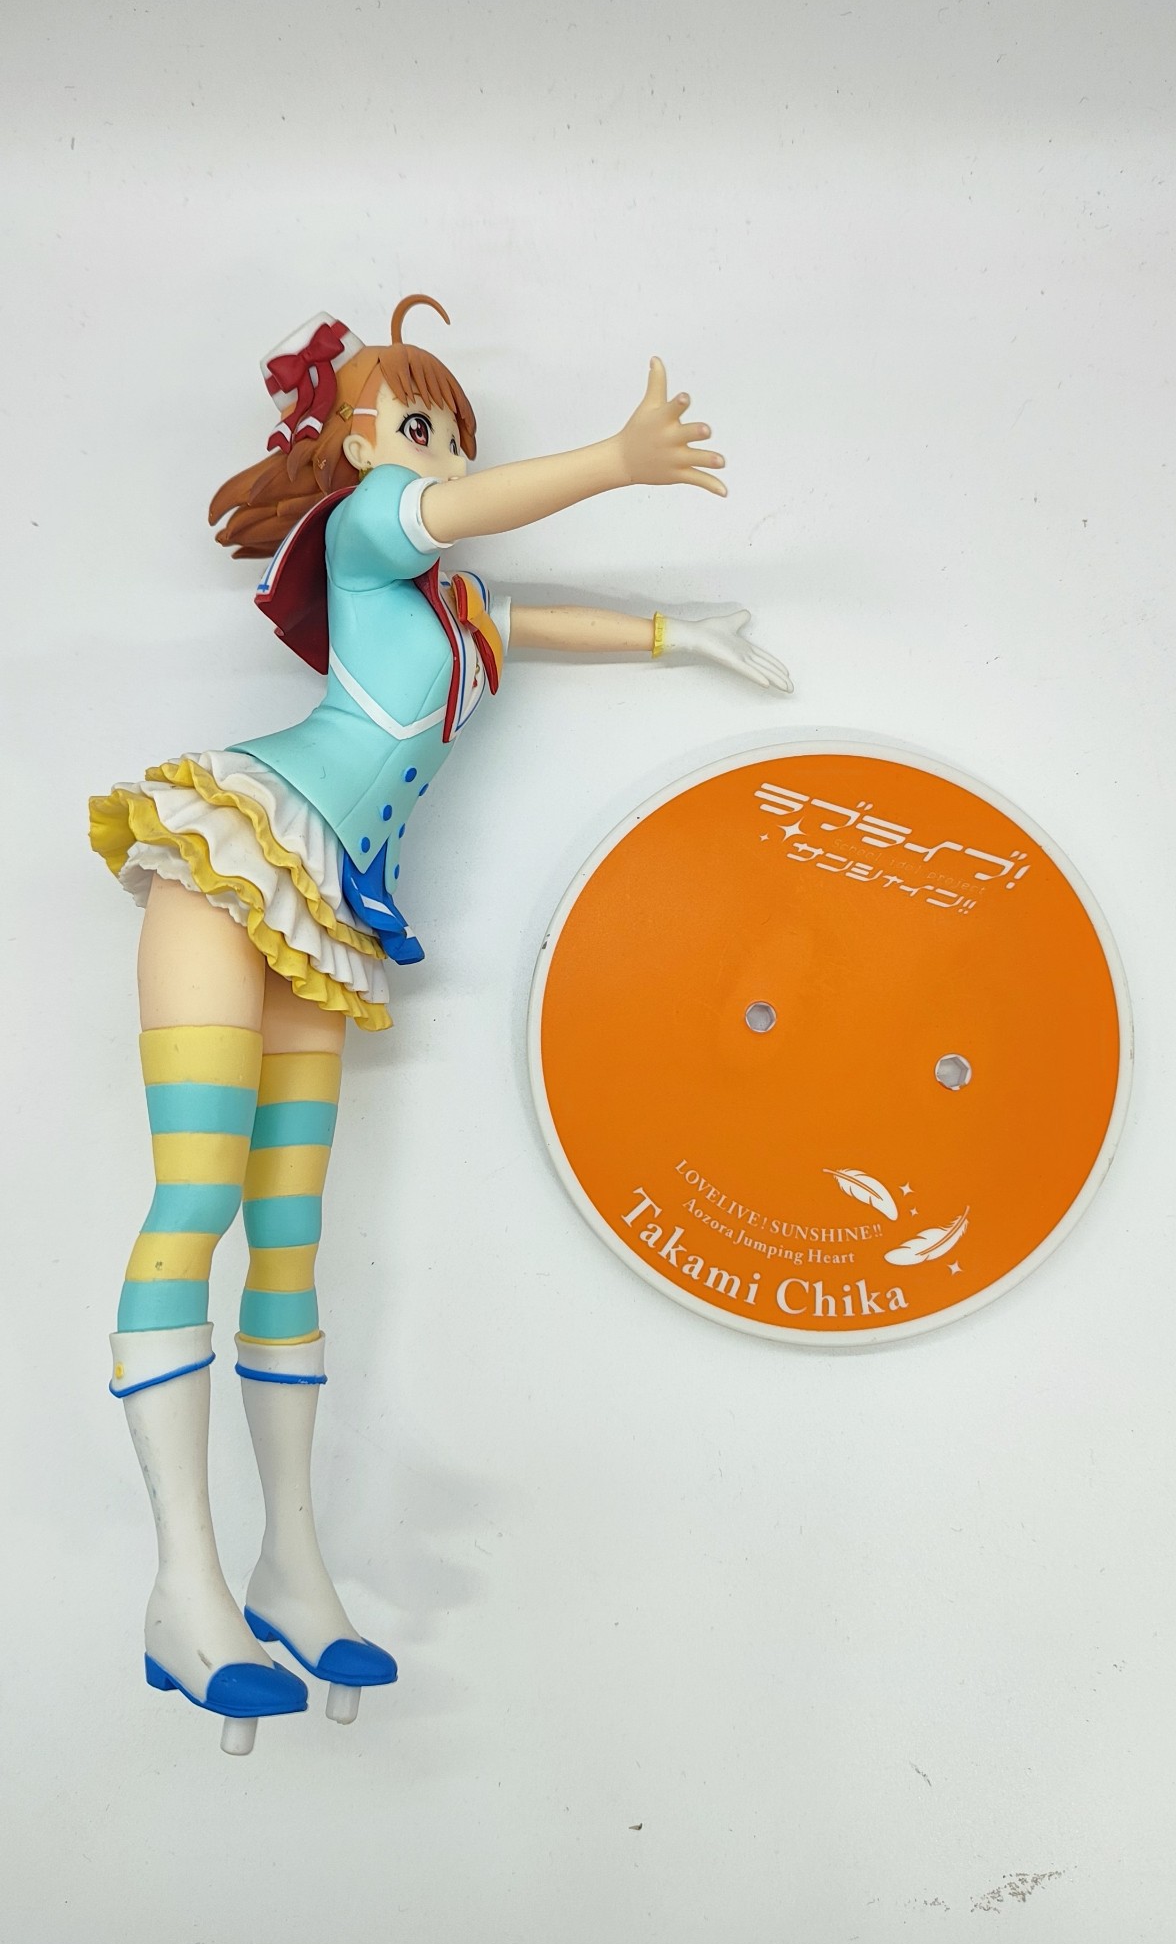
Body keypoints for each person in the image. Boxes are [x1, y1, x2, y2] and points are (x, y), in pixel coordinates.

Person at [89, 296, 791, 1750]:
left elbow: (540, 622)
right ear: (359, 445)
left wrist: (685, 632)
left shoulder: (454, 620)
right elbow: (458, 510)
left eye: (455, 435)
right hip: (236, 862)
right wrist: (616, 460)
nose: (444, 460)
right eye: (420, 430)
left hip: (324, 911)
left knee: (290, 1232)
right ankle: (181, 1583)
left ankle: (288, 1565)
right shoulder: (366, 533)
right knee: (198, 1198)